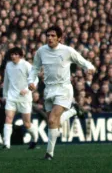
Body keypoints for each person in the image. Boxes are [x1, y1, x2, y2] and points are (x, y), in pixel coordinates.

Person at [28, 26, 95, 160]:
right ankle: (73, 111)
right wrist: (32, 81)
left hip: (63, 89)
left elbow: (82, 61)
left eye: (53, 36)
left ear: (59, 38)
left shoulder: (67, 50)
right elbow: (35, 68)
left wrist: (90, 67)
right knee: (53, 122)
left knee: (52, 120)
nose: (50, 38)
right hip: (48, 89)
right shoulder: (41, 51)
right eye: (48, 35)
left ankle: (49, 154)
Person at [2, 47, 38, 150]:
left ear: (20, 55)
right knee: (8, 118)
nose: (13, 56)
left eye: (15, 54)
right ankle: (6, 144)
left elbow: (35, 78)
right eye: (12, 54)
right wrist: (5, 95)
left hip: (24, 98)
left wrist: (27, 89)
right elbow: (6, 81)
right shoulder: (8, 65)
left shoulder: (26, 65)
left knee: (27, 124)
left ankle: (35, 138)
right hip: (11, 97)